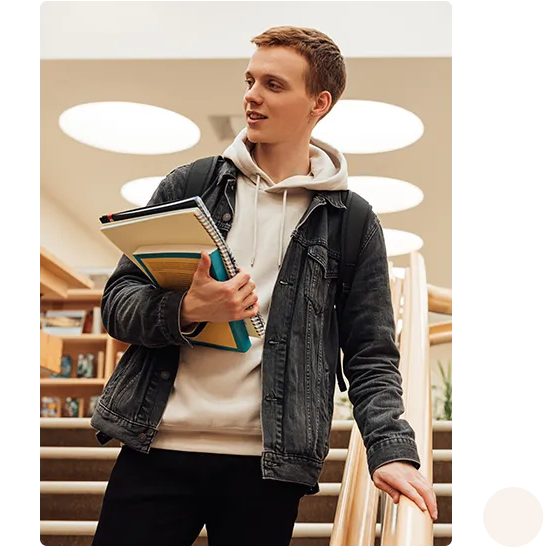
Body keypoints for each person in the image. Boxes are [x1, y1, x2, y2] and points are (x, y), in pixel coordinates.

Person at [90, 25, 438, 547]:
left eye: (274, 85)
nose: (252, 95)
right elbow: (117, 306)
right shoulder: (189, 185)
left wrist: (391, 450)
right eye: (250, 80)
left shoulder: (352, 221)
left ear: (318, 103)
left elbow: (370, 353)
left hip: (268, 464)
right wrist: (186, 308)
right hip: (155, 445)